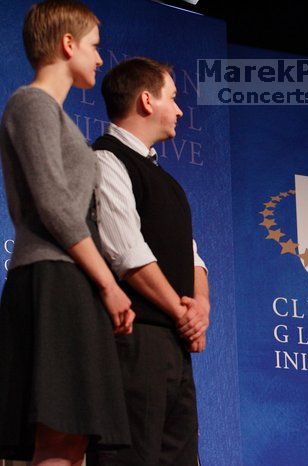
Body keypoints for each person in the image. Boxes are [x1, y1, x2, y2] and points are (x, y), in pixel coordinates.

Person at [0, 1, 135, 464]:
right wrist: (108, 284)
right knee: (58, 437)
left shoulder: (60, 118)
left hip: (73, 279)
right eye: (95, 47)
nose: (100, 59)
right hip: (52, 279)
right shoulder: (30, 103)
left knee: (74, 440)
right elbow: (55, 205)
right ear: (68, 43)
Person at [89, 57, 210, 466]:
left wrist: (202, 307)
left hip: (174, 347)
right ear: (146, 100)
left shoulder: (169, 182)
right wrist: (182, 312)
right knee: (131, 456)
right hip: (133, 342)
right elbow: (128, 255)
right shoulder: (106, 160)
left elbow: (192, 254)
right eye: (173, 98)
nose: (179, 109)